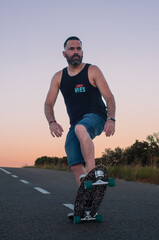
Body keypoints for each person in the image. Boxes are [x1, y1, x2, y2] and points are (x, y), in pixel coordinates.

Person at [44, 36, 116, 186]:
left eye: (79, 48)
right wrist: (52, 122)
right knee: (75, 163)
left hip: (97, 117)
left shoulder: (92, 70)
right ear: (64, 54)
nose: (76, 52)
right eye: (71, 49)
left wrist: (111, 118)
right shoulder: (59, 77)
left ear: (82, 52)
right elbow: (48, 103)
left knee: (81, 128)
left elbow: (109, 97)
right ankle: (87, 206)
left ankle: (93, 173)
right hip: (76, 124)